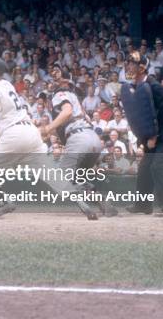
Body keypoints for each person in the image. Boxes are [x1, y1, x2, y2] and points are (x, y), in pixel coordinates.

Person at [0, 56, 100, 220]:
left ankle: (4, 201)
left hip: (15, 134)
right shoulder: (7, 85)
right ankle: (82, 204)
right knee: (52, 176)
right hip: (31, 134)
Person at [42, 65, 117, 216]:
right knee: (78, 178)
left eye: (57, 76)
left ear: (66, 82)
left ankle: (86, 208)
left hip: (78, 138)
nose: (54, 80)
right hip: (93, 139)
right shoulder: (77, 99)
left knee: (59, 178)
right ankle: (101, 201)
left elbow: (67, 112)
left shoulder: (60, 94)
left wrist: (47, 128)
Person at [122, 52, 163, 216]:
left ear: (141, 67)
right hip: (152, 135)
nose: (128, 67)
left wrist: (153, 137)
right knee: (144, 168)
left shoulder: (155, 87)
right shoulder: (137, 86)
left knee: (156, 167)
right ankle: (143, 205)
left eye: (131, 64)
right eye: (127, 63)